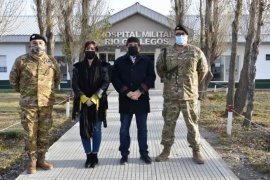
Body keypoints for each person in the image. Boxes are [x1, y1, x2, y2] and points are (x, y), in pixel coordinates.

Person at [155, 24, 208, 164]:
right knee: (168, 123)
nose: (180, 36)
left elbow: (203, 70)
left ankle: (196, 151)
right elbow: (159, 69)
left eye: (182, 34)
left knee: (192, 124)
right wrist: (169, 83)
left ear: (187, 36)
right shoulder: (165, 52)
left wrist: (192, 84)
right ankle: (166, 151)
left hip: (189, 96)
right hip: (170, 96)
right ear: (174, 35)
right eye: (177, 34)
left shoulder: (196, 52)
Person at [9, 34, 61, 174]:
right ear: (30, 45)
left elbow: (56, 80)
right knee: (30, 133)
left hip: (46, 104)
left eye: (40, 43)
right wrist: (25, 93)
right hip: (28, 105)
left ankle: (41, 159)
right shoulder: (21, 61)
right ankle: (31, 161)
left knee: (44, 133)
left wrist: (46, 93)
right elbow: (13, 81)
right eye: (34, 43)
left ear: (45, 46)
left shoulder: (51, 61)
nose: (37, 45)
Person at [111, 37, 156, 165]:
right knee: (124, 129)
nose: (133, 47)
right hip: (126, 100)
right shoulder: (119, 61)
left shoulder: (147, 61)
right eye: (130, 45)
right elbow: (114, 78)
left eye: (135, 45)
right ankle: (124, 154)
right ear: (126, 47)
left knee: (142, 129)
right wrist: (127, 92)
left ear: (140, 47)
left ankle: (144, 153)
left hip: (141, 99)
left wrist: (139, 91)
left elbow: (151, 76)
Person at [72, 41, 110, 168]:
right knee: (84, 130)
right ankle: (88, 156)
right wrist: (83, 97)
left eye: (92, 48)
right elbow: (75, 84)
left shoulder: (103, 66)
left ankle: (95, 155)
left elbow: (105, 82)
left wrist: (94, 98)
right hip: (83, 103)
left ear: (96, 50)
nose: (90, 50)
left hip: (98, 103)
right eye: (87, 48)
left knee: (97, 130)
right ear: (84, 51)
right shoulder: (77, 67)